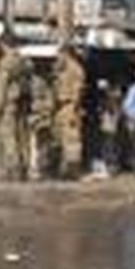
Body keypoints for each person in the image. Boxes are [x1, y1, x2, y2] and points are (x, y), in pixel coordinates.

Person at [0, 48, 31, 181]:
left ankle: (14, 167)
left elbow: (1, 88)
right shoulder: (23, 61)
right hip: (20, 103)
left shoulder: (6, 62)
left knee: (8, 136)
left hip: (8, 104)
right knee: (21, 135)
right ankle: (24, 165)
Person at [54, 47, 85, 178]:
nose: (58, 58)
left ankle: (72, 170)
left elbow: (78, 91)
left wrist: (73, 109)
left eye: (60, 55)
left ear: (67, 54)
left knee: (71, 139)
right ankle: (64, 167)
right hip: (62, 106)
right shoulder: (63, 70)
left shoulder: (76, 70)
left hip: (70, 106)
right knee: (61, 138)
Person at [28, 61, 56, 180]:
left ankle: (38, 169)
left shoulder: (35, 82)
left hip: (38, 116)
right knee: (39, 144)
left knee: (37, 143)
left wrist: (42, 113)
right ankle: (38, 168)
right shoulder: (42, 82)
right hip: (39, 116)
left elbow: (49, 102)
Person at [94, 80, 122, 177]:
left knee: (109, 145)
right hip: (108, 125)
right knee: (108, 145)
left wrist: (103, 112)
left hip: (109, 125)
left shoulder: (109, 98)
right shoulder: (108, 97)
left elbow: (111, 110)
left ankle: (110, 167)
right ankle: (109, 166)